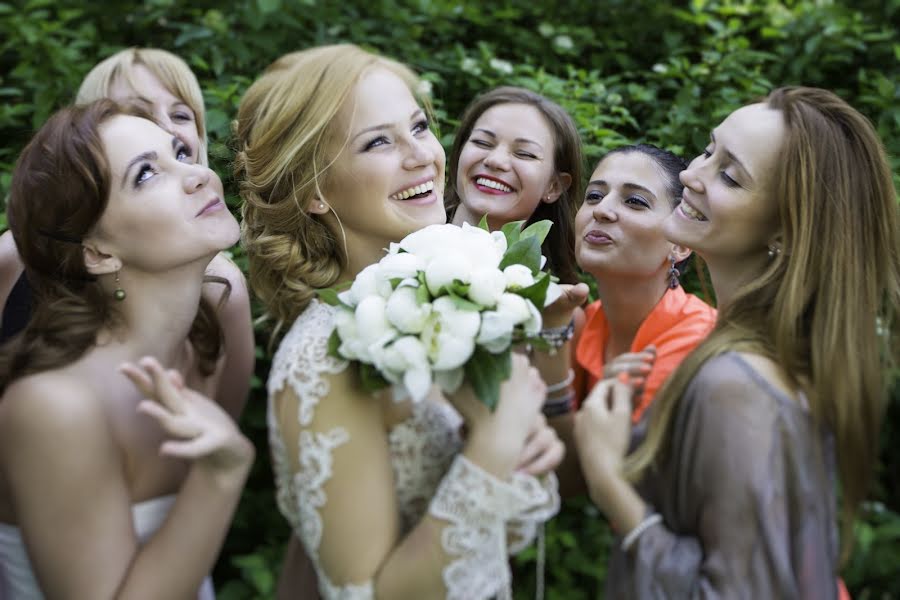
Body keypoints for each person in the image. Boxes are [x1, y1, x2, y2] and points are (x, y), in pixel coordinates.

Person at [235, 44, 563, 599]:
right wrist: (492, 450)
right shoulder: (324, 358)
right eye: (378, 141)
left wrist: (515, 455)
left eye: (418, 125)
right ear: (314, 190)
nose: (423, 156)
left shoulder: (435, 304)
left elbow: (477, 537)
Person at [573, 87, 899, 597]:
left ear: (785, 233)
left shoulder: (736, 383)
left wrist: (611, 482)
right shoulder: (753, 355)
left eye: (729, 175)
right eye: (708, 151)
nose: (689, 176)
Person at [0, 100, 254, 598]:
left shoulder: (200, 342)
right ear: (96, 252)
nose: (198, 174)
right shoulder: (54, 406)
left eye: (181, 152)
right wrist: (221, 476)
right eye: (146, 175)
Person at [0, 47, 253, 421]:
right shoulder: (11, 255)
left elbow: (219, 426)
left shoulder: (223, 289)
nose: (167, 128)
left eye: (181, 114)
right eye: (137, 113)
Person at [571, 145, 716, 422]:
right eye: (594, 196)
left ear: (681, 244)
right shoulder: (583, 321)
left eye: (635, 201)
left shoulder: (699, 343)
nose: (602, 210)